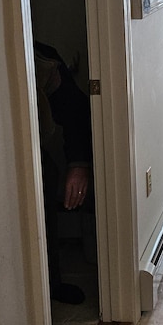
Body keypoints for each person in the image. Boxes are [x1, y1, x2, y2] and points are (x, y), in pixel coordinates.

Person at [34, 41, 93, 304]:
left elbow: (75, 110)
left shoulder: (43, 61)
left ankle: (50, 284)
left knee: (46, 176)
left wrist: (78, 165)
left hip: (30, 153)